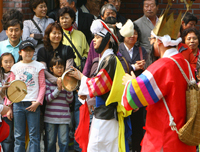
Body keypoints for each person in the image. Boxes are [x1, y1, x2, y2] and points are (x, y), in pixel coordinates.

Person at [121, 6, 196, 152]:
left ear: (159, 42)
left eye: (152, 40)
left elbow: (132, 98)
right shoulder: (184, 63)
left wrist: (130, 82)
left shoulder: (162, 66)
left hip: (163, 141)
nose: (151, 43)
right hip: (184, 141)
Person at [69, 19, 131, 152]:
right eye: (94, 37)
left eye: (97, 37)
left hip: (106, 116)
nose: (94, 40)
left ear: (107, 39)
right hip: (104, 115)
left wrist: (81, 77)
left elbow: (98, 86)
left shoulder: (110, 60)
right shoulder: (108, 59)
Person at [57, 6, 89, 152]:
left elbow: (87, 54)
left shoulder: (80, 35)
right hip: (61, 79)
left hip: (77, 78)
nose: (64, 20)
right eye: (62, 18)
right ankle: (63, 144)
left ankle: (77, 145)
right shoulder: (56, 34)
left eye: (67, 17)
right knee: (62, 112)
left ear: (72, 19)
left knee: (78, 110)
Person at [7, 40, 46, 152]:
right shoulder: (15, 67)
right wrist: (9, 107)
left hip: (33, 103)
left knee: (34, 135)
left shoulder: (39, 66)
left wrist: (38, 102)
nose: (28, 53)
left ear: (34, 52)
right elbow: (11, 88)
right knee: (18, 135)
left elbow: (43, 86)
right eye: (25, 50)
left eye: (31, 50)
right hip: (18, 104)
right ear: (20, 52)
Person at [119, 21, 147, 152]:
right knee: (122, 126)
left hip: (138, 92)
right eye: (130, 33)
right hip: (121, 91)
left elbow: (148, 70)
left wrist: (144, 66)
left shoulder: (142, 51)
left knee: (137, 126)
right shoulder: (117, 49)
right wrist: (134, 67)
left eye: (135, 33)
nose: (132, 36)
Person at [44, 57, 73, 152]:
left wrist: (68, 89)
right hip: (50, 117)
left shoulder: (68, 81)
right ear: (51, 69)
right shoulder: (48, 82)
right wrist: (58, 89)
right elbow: (47, 99)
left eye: (61, 67)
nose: (60, 69)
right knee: (50, 141)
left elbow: (70, 100)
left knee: (64, 141)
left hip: (64, 117)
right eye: (57, 67)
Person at [134, 0, 159, 67]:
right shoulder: (137, 24)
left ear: (157, 7)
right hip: (146, 61)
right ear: (143, 7)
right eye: (146, 6)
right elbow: (135, 45)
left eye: (152, 6)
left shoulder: (162, 22)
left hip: (161, 59)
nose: (149, 9)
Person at [0, 53, 15, 152]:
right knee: (6, 137)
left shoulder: (16, 73)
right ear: (1, 64)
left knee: (14, 136)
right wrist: (2, 89)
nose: (8, 64)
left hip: (14, 108)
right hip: (2, 109)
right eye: (6, 62)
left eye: (11, 61)